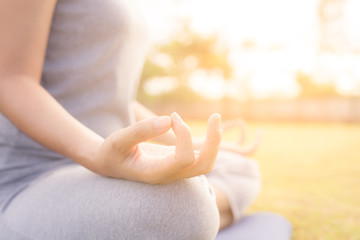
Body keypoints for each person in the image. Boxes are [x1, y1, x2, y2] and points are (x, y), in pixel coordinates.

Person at [0, 0, 291, 239]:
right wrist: (98, 155)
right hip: (32, 178)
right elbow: (11, 79)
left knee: (239, 167)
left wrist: (193, 142)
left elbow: (115, 97)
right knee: (184, 205)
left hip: (107, 170)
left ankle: (189, 225)